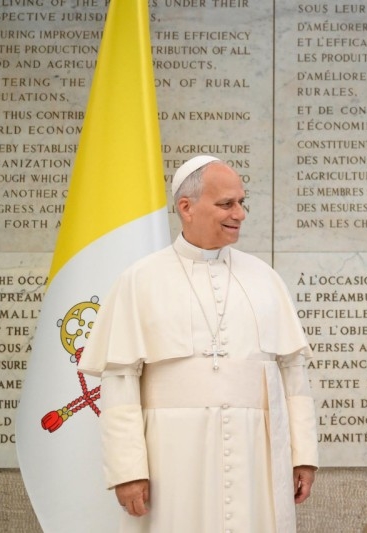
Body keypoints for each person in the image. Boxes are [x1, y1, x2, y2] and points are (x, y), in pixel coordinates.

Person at [79, 155, 318, 532]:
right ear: (186, 207)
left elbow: (293, 373)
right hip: (172, 459)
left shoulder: (265, 278)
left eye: (242, 202)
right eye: (226, 203)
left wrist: (303, 455)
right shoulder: (140, 280)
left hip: (255, 456)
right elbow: (120, 381)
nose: (239, 213)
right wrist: (127, 470)